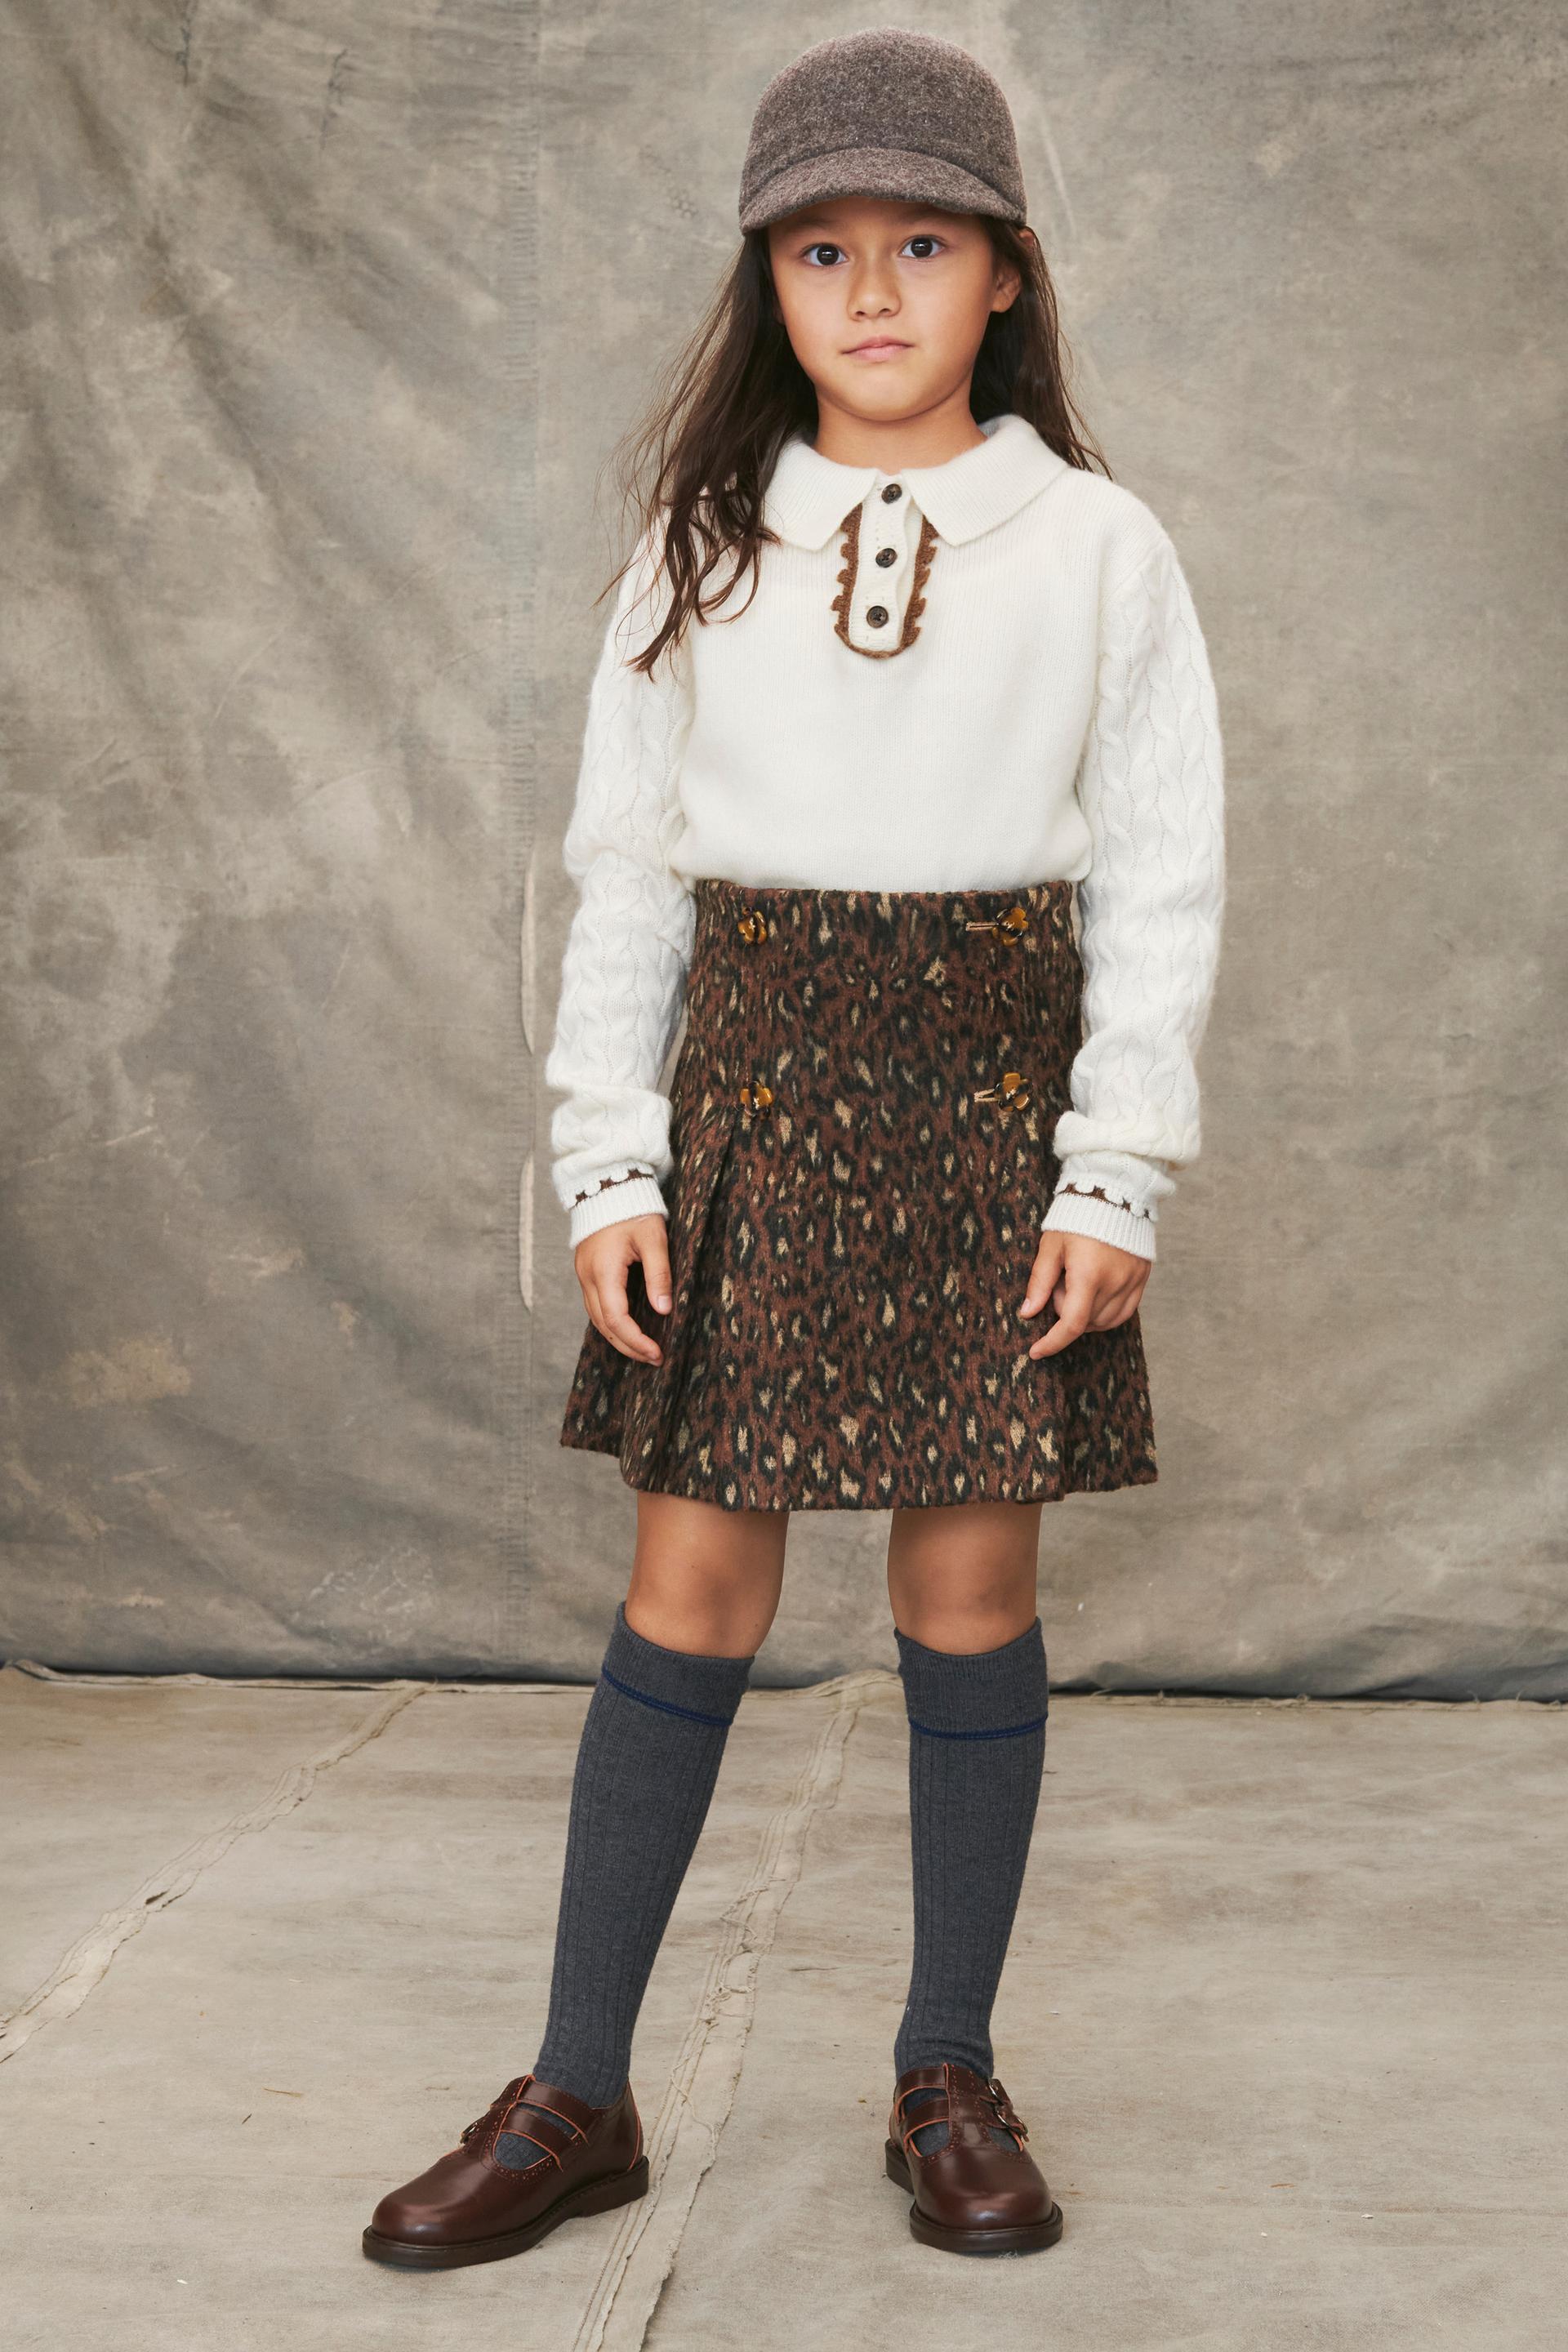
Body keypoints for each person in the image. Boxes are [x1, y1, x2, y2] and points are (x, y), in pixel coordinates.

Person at [363, 24, 1225, 2268]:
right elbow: (626, 876)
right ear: (766, 281)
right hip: (747, 1100)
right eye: (821, 251)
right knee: (691, 1587)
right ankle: (578, 2090)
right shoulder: (702, 542)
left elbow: (1162, 877)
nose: (871, 292)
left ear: (1006, 272)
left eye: (921, 245)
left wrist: (1115, 1164)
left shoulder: (1101, 548)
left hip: (991, 1110)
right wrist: (611, 1163)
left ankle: (947, 2069)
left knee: (969, 1594)